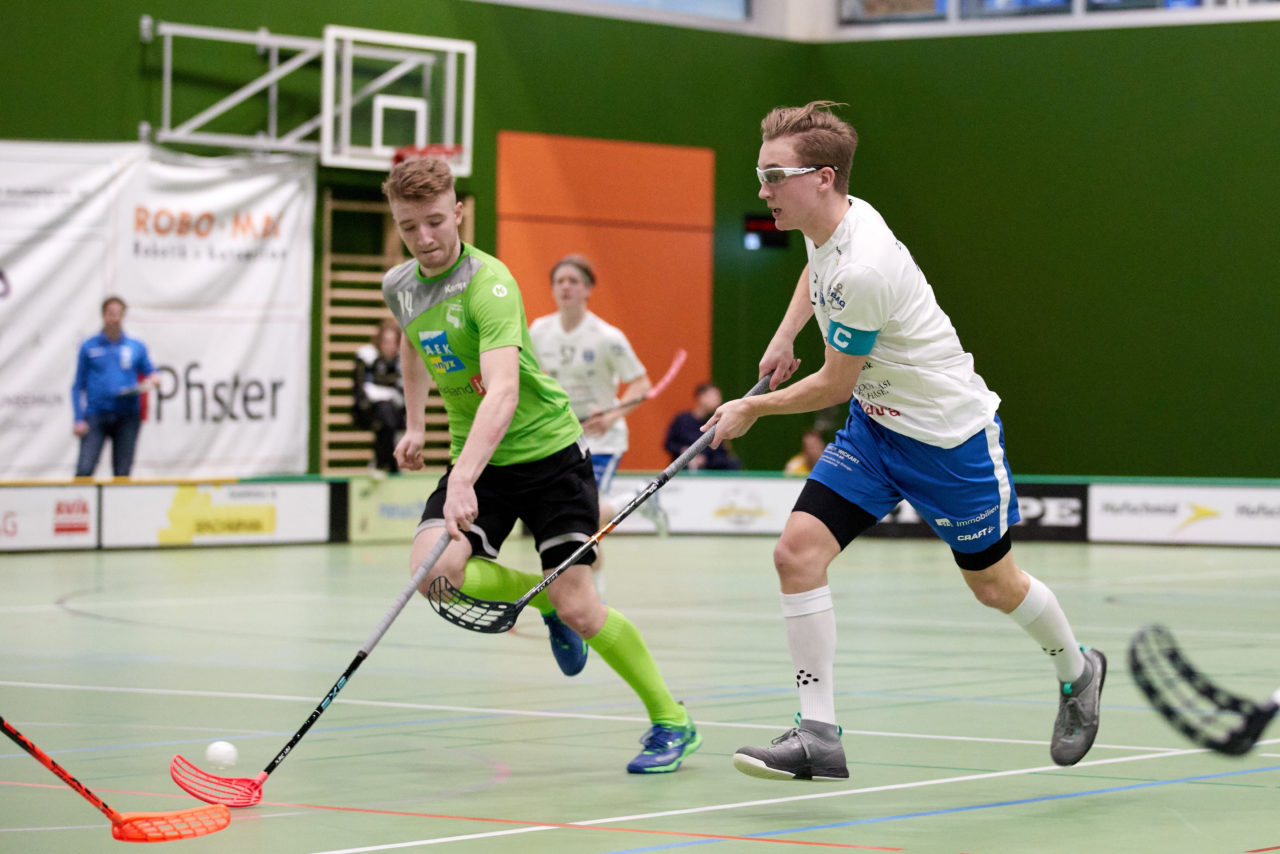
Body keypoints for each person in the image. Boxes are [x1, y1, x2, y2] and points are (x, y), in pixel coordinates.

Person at [705, 101, 1104, 781]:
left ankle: (1079, 670)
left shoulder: (865, 266)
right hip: (875, 430)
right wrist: (784, 333)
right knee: (796, 554)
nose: (764, 190)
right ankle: (818, 735)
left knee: (994, 586)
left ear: (822, 178)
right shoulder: (830, 224)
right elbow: (814, 271)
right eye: (761, 174)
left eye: (775, 176)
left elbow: (834, 382)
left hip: (948, 440)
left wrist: (752, 408)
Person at [381, 156, 699, 774]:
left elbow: (502, 392)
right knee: (432, 572)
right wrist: (415, 423)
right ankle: (544, 602)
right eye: (409, 226)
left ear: (458, 213)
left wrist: (462, 477)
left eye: (435, 221)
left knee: (582, 605)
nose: (424, 238)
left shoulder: (490, 285)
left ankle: (672, 720)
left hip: (550, 455)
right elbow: (415, 350)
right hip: (481, 456)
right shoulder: (400, 286)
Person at [529, 254, 669, 570]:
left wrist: (610, 417)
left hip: (602, 439)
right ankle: (595, 594)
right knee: (581, 526)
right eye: (559, 281)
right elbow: (531, 378)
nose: (565, 287)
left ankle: (638, 498)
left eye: (573, 281)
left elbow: (641, 383)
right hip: (561, 436)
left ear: (588, 288)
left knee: (584, 513)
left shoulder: (607, 337)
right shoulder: (539, 331)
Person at [71, 296, 155, 478]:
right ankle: (80, 497)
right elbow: (77, 385)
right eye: (111, 314)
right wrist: (78, 418)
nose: (115, 319)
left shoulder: (136, 346)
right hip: (96, 416)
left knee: (122, 473)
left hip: (127, 416)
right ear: (103, 315)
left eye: (119, 314)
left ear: (123, 316)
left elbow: (151, 372)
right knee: (84, 469)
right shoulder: (89, 346)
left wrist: (153, 380)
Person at [353, 318, 406, 474]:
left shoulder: (401, 361)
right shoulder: (368, 357)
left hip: (397, 414)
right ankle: (387, 463)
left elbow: (403, 392)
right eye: (386, 342)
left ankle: (382, 461)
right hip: (368, 411)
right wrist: (387, 391)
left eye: (393, 342)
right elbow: (361, 389)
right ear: (379, 342)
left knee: (389, 417)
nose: (389, 346)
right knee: (385, 412)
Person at [664, 383, 742, 470]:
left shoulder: (717, 424)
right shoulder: (682, 420)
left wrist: (705, 460)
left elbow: (721, 454)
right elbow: (669, 444)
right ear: (701, 397)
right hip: (683, 469)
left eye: (718, 396)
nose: (718, 400)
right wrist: (683, 450)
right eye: (713, 396)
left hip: (709, 470)